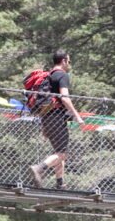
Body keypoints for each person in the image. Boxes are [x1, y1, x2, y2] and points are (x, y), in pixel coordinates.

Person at [27, 50, 84, 189]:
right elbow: (64, 97)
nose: (69, 64)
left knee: (59, 152)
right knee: (62, 153)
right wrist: (77, 116)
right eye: (69, 61)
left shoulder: (48, 76)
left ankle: (60, 183)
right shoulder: (62, 75)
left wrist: (44, 126)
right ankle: (38, 168)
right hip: (57, 116)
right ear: (64, 61)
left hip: (46, 116)